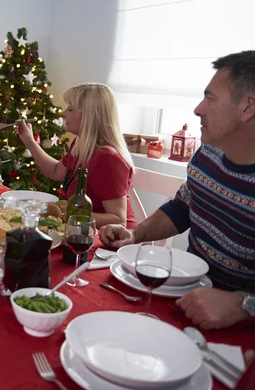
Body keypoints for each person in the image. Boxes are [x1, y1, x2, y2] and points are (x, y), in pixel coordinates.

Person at [100, 50, 255, 330]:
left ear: (247, 107)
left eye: (210, 98)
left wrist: (242, 304)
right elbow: (183, 207)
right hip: (187, 298)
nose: (198, 109)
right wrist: (135, 234)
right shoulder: (207, 153)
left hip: (240, 327)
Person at [16, 83, 136, 228]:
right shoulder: (80, 144)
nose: (64, 113)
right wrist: (29, 141)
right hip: (81, 231)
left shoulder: (108, 158)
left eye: (70, 109)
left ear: (90, 116)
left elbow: (118, 220)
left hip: (112, 243)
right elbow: (56, 171)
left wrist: (69, 213)